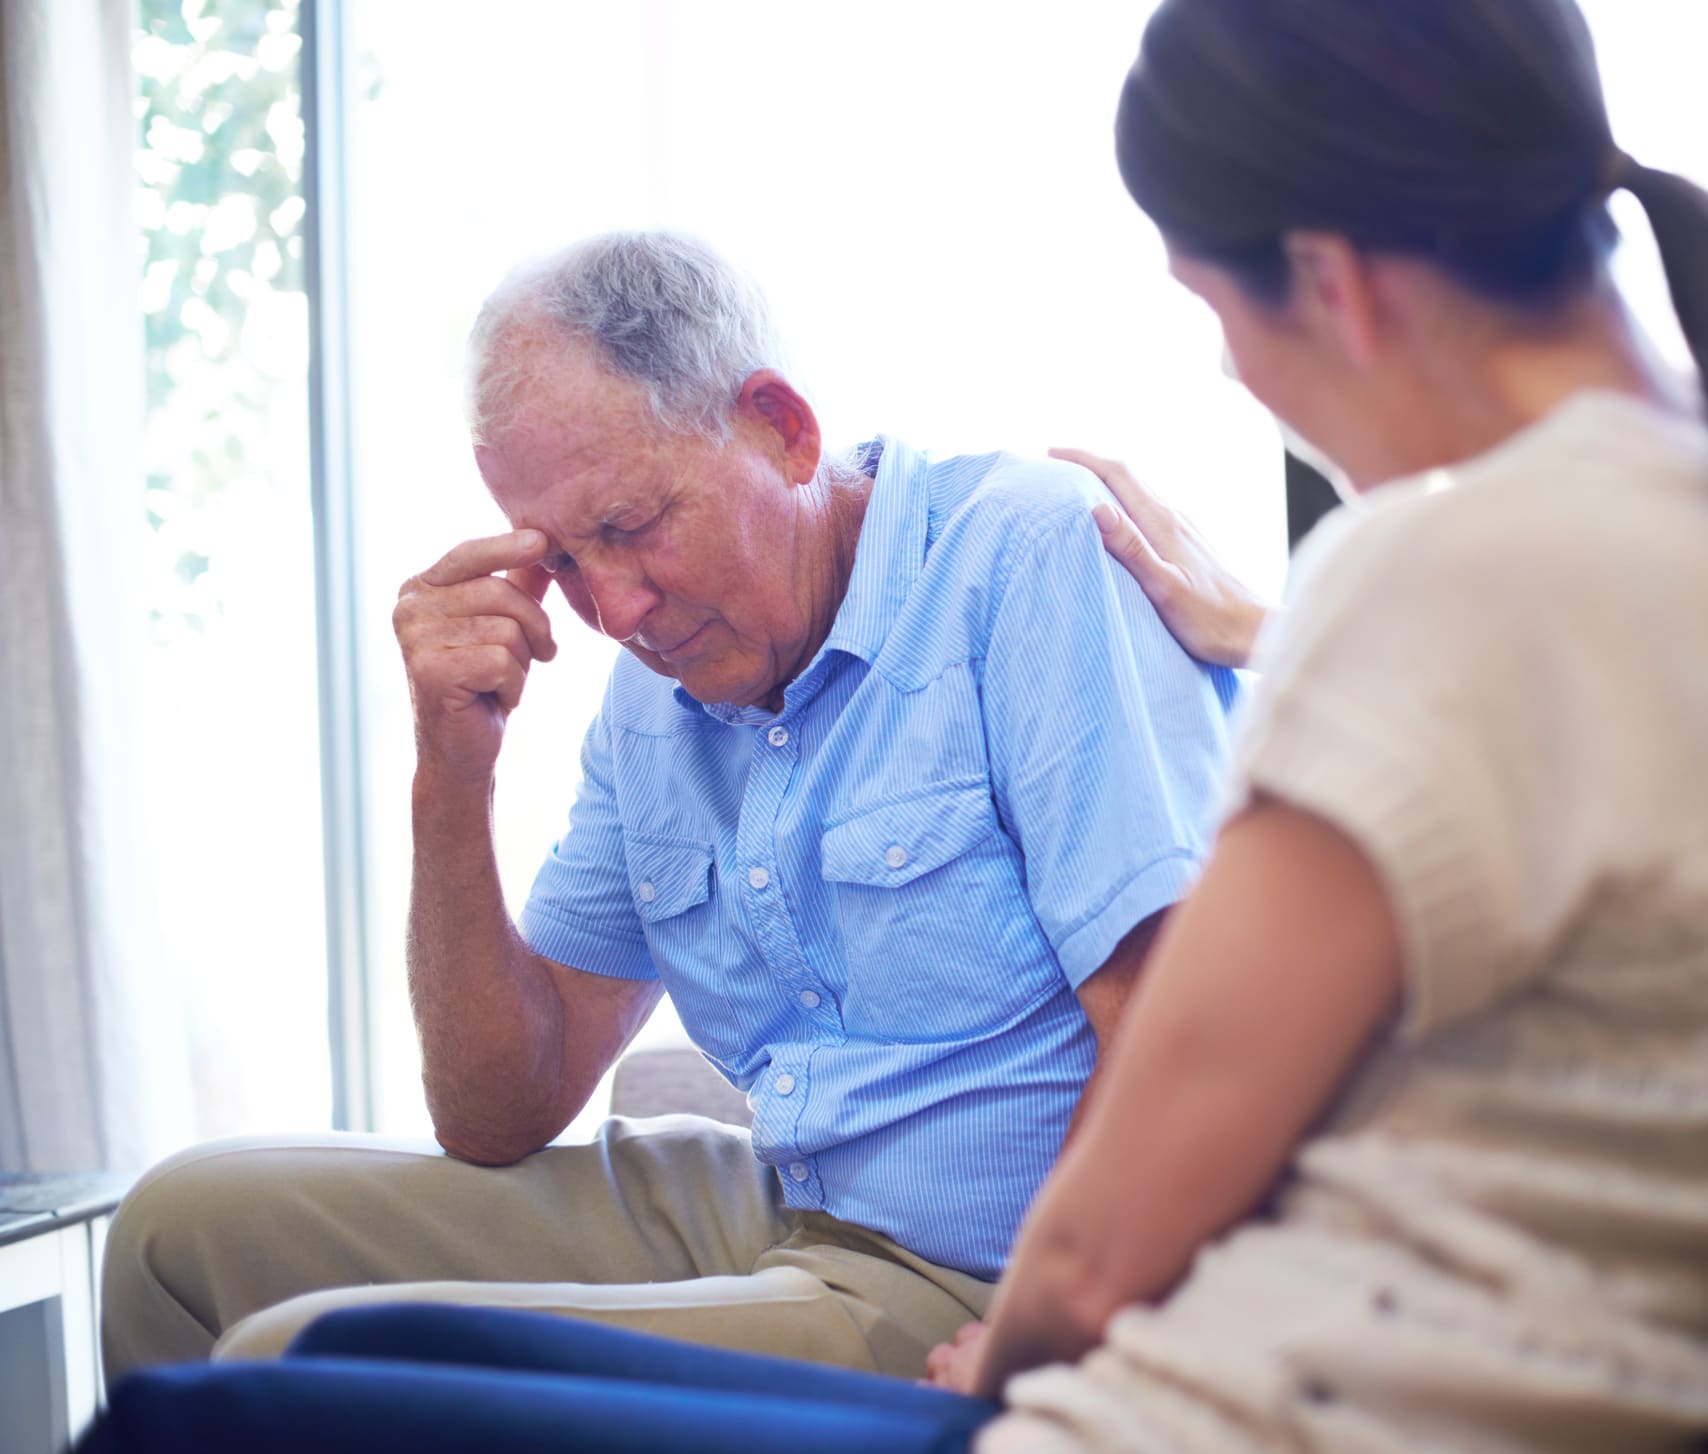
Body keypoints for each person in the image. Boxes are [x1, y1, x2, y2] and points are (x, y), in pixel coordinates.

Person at [72, 0, 1708, 1454]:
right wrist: (1284, 641)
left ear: (1336, 277)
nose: (1229, 373)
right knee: (243, 1284)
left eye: (1214, 310)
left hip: (1186, 1409)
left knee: (234, 1407)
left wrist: (1030, 1340)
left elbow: (1142, 1175)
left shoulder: (1436, 571)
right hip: (1203, 1364)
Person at [96, 231, 1239, 1383]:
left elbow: (1176, 1025)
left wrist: (1054, 1314)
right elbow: (499, 1111)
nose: (615, 609)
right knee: (175, 1230)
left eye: (632, 527)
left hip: (978, 1277)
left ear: (782, 429)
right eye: (567, 562)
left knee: (301, 1357)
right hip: (783, 1203)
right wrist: (452, 770)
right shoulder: (657, 696)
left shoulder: (1026, 553)